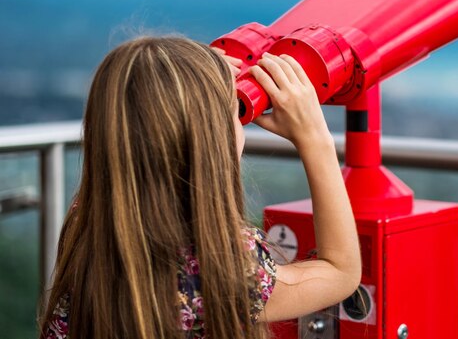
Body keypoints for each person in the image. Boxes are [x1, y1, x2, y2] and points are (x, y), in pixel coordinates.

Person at [39, 36, 361, 339]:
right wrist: (314, 137)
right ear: (209, 143)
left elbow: (129, 157)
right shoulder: (221, 264)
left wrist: (188, 78)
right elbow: (341, 272)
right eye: (234, 114)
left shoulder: (86, 223)